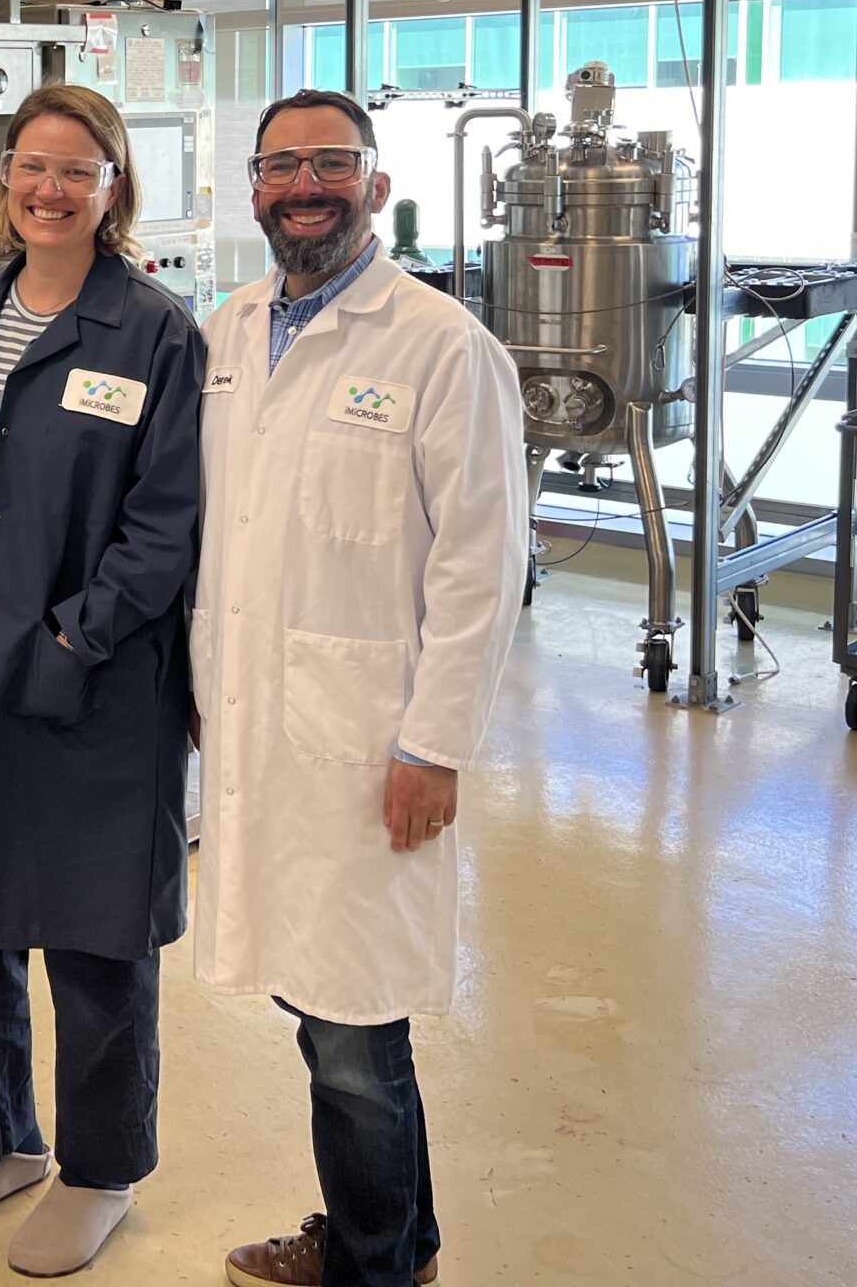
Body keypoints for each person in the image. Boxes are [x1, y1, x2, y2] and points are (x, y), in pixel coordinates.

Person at [197, 89, 527, 1287]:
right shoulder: (231, 332)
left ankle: (373, 1266)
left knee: (352, 1030)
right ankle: (396, 1240)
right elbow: (227, 541)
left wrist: (435, 745)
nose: (304, 186)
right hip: (262, 732)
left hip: (372, 743)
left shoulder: (443, 346)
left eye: (331, 163)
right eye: (281, 166)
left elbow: (483, 569)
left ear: (375, 185)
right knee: (328, 1015)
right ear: (253, 190)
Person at [0, 83, 204, 1279]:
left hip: (89, 685)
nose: (48, 189)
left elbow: (164, 525)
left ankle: (98, 1171)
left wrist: (75, 639)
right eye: (31, 167)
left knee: (91, 940)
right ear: (5, 183)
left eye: (76, 171)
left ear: (113, 189)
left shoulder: (153, 331)